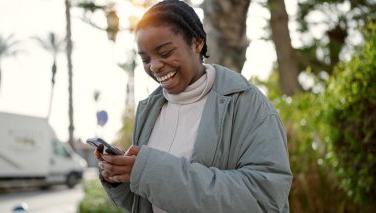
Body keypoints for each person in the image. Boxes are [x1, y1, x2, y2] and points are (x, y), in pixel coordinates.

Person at [95, 0, 292, 212]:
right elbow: (144, 203)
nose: (154, 66)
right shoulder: (149, 110)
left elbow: (265, 199)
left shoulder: (247, 104)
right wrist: (120, 176)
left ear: (197, 43)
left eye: (165, 53)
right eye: (145, 59)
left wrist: (149, 171)